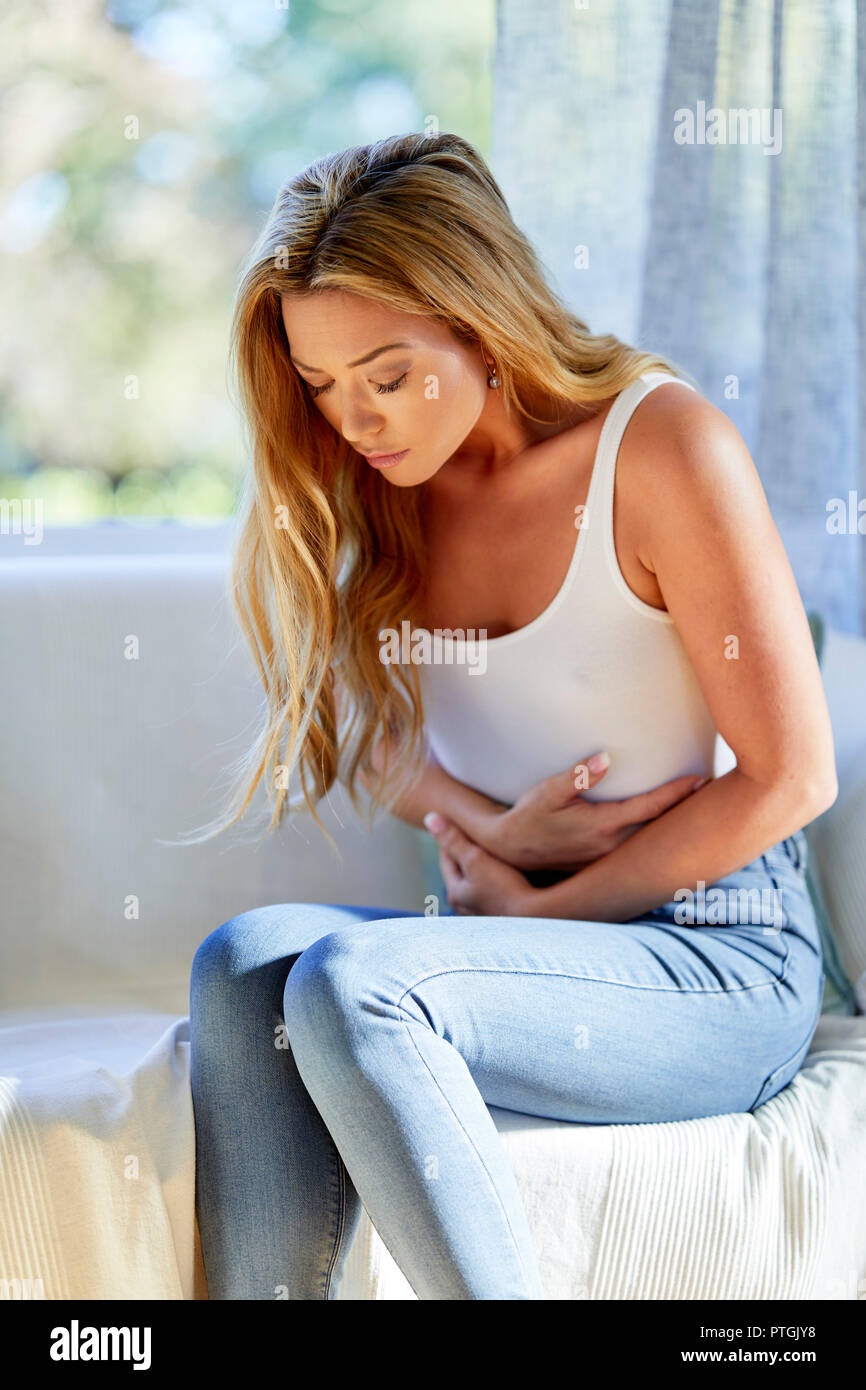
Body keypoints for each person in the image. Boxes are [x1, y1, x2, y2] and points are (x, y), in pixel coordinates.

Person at [187, 131, 836, 1300]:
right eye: (323, 386)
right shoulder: (378, 490)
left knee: (352, 986)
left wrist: (545, 894)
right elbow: (372, 743)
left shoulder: (657, 446)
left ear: (481, 322)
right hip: (529, 933)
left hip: (719, 951)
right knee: (242, 969)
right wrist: (494, 835)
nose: (355, 420)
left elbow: (793, 778)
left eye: (385, 374)